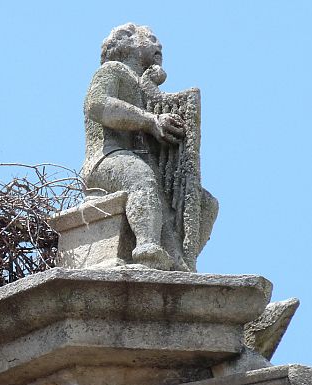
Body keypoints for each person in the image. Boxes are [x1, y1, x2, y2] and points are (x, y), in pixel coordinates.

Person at [81, 23, 215, 270]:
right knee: (141, 177)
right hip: (106, 159)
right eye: (151, 39)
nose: (159, 45)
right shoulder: (113, 71)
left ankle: (181, 259)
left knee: (204, 202)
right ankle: (147, 248)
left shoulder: (145, 87)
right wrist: (150, 121)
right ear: (127, 42)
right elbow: (97, 104)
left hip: (141, 161)